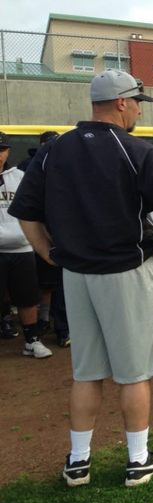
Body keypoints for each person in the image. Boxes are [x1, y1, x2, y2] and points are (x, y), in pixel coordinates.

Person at [9, 69, 153, 487]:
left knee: (86, 372)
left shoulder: (54, 150)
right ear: (122, 103)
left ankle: (78, 462)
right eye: (137, 104)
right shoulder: (135, 149)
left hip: (77, 274)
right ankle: (138, 460)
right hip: (125, 272)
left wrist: (48, 254)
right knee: (133, 372)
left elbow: (25, 212)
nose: (138, 113)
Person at [0, 131, 53, 359]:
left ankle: (31, 340)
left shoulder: (19, 177)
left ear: (8, 150)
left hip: (22, 249)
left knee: (28, 297)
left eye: (1, 149)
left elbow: (34, 210)